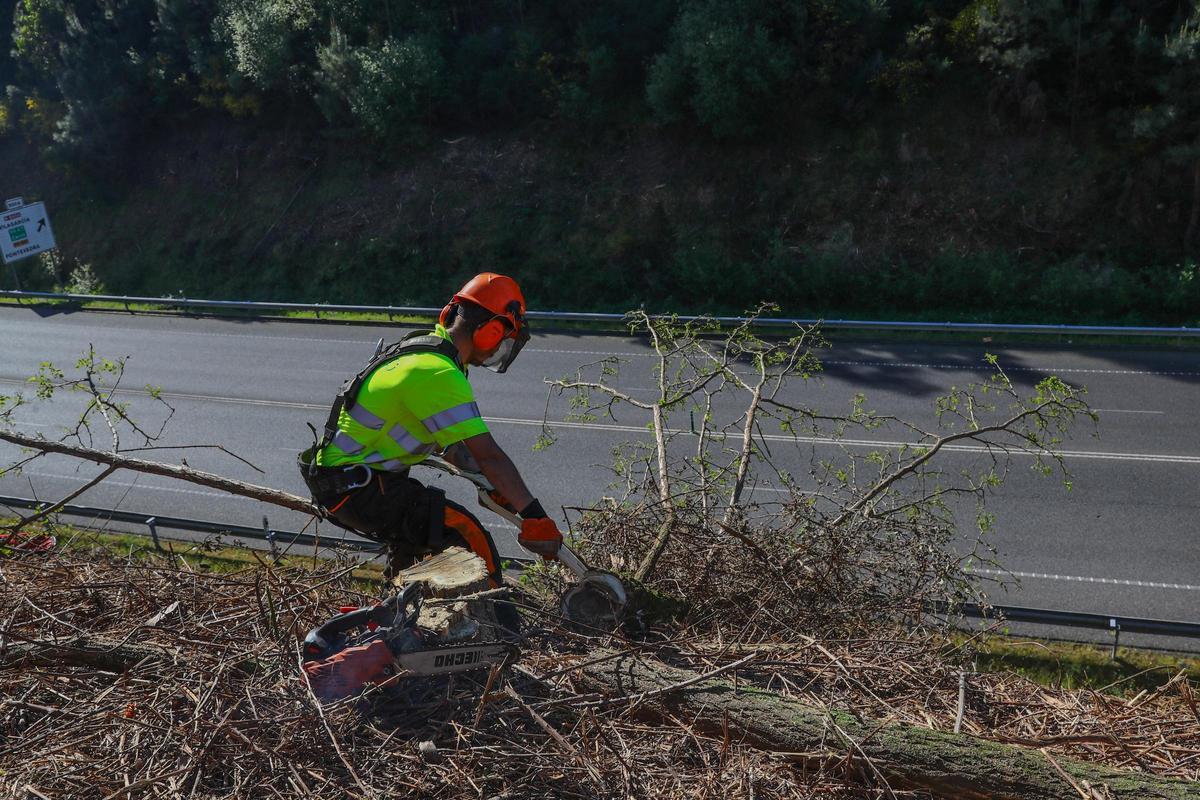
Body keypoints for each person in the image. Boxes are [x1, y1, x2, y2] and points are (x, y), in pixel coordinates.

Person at [297, 273, 563, 626]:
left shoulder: (426, 353)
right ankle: (502, 627)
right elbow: (489, 455)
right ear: (492, 330)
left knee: (419, 536)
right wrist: (534, 515)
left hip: (350, 483)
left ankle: (398, 622)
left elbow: (457, 451)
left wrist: (499, 491)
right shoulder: (437, 373)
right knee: (462, 528)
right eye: (504, 337)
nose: (501, 347)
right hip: (358, 487)